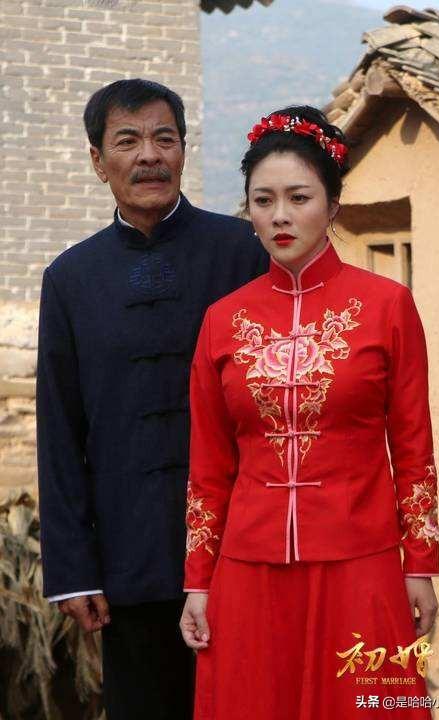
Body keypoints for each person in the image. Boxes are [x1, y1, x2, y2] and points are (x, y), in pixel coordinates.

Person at [180, 106, 439, 719]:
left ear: (333, 205)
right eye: (263, 200)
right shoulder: (222, 321)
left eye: (298, 197)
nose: (280, 215)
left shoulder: (387, 307)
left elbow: (413, 447)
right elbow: (209, 465)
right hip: (247, 569)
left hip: (362, 563)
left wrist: (420, 564)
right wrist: (197, 581)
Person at [36, 78, 268, 720]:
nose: (149, 155)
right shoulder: (70, 280)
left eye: (165, 139)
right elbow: (59, 430)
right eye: (128, 141)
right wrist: (73, 570)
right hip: (127, 556)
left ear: (184, 150)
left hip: (240, 544)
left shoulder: (242, 253)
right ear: (97, 159)